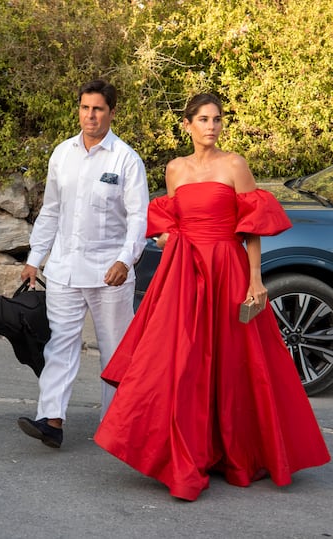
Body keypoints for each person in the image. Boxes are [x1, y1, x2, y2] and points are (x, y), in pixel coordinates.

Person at [94, 93, 330, 501]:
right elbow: (172, 223)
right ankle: (185, 454)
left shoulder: (234, 164)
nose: (212, 126)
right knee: (182, 361)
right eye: (203, 119)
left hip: (227, 267)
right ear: (187, 125)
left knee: (233, 362)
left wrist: (255, 279)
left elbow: (251, 226)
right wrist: (171, 244)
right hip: (185, 271)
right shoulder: (174, 169)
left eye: (217, 119)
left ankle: (233, 452)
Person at [17, 79, 149, 448]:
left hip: (110, 273)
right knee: (60, 344)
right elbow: (51, 211)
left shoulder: (126, 159)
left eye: (98, 109)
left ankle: (116, 426)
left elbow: (139, 218)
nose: (90, 115)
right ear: (78, 109)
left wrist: (126, 259)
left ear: (111, 112)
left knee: (115, 350)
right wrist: (34, 258)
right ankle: (52, 422)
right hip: (64, 269)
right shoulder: (62, 153)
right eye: (85, 108)